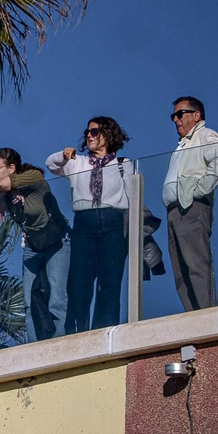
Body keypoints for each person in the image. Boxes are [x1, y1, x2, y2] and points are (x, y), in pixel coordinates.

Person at [0, 148, 72, 341]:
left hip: (57, 242)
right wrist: (1, 193)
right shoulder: (5, 191)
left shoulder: (33, 177)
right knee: (28, 300)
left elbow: (5, 183)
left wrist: (1, 189)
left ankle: (61, 342)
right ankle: (32, 345)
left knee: (56, 296)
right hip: (32, 245)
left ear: (11, 167)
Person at [48, 117, 134, 332]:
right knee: (79, 280)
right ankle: (78, 331)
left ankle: (105, 329)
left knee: (110, 281)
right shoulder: (78, 162)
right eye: (87, 132)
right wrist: (63, 154)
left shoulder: (123, 165)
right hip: (84, 223)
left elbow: (132, 199)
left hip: (113, 221)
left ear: (108, 135)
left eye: (95, 132)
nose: (89, 135)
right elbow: (51, 164)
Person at [163, 97, 218, 310]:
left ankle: (208, 317)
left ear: (196, 115)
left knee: (196, 265)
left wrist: (196, 191)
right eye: (173, 115)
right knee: (181, 271)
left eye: (180, 114)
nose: (175, 119)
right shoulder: (183, 144)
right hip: (175, 210)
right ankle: (194, 317)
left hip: (191, 208)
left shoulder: (204, 135)